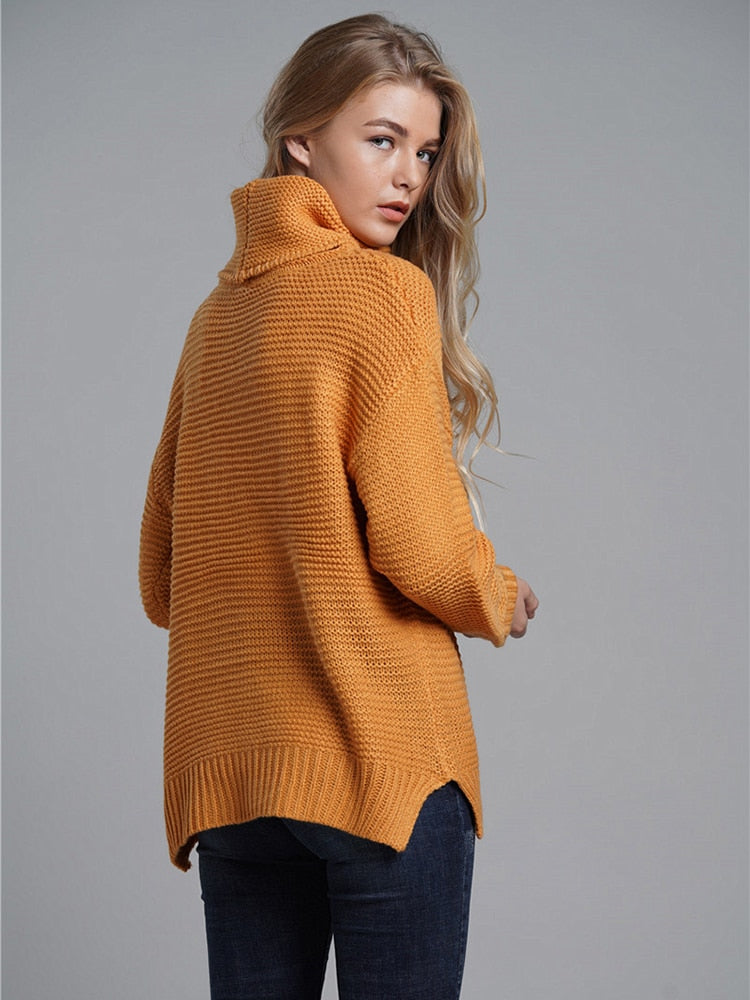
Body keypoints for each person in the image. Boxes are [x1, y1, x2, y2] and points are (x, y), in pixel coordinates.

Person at [139, 13, 538, 999]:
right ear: (301, 139)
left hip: (236, 777)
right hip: (380, 763)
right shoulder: (380, 295)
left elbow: (162, 575)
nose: (409, 177)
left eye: (426, 153)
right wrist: (498, 594)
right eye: (382, 140)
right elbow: (422, 547)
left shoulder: (213, 320)